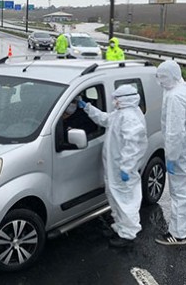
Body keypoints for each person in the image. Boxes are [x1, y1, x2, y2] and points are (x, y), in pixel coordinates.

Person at [77, 85, 148, 248]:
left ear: (125, 99)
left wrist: (126, 168)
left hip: (123, 169)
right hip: (115, 167)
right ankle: (120, 227)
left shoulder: (130, 117)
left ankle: (128, 234)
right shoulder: (121, 113)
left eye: (117, 98)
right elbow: (105, 119)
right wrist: (87, 107)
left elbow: (132, 146)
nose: (114, 101)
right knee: (115, 198)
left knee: (126, 201)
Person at [154, 60, 186, 246]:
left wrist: (171, 158)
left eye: (163, 77)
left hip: (181, 151)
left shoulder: (175, 97)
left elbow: (175, 132)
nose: (160, 82)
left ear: (172, 76)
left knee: (179, 191)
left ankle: (177, 234)